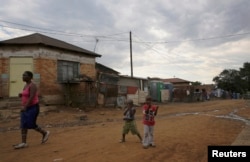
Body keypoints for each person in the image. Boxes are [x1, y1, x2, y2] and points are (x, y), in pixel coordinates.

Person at [13, 71, 50, 149]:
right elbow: (26, 94)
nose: (23, 77)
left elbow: (32, 97)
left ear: (30, 77)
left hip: (33, 107)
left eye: (25, 75)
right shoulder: (25, 85)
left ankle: (45, 132)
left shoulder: (33, 86)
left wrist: (25, 106)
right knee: (23, 124)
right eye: (22, 75)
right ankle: (23, 143)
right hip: (25, 107)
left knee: (31, 124)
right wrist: (21, 94)